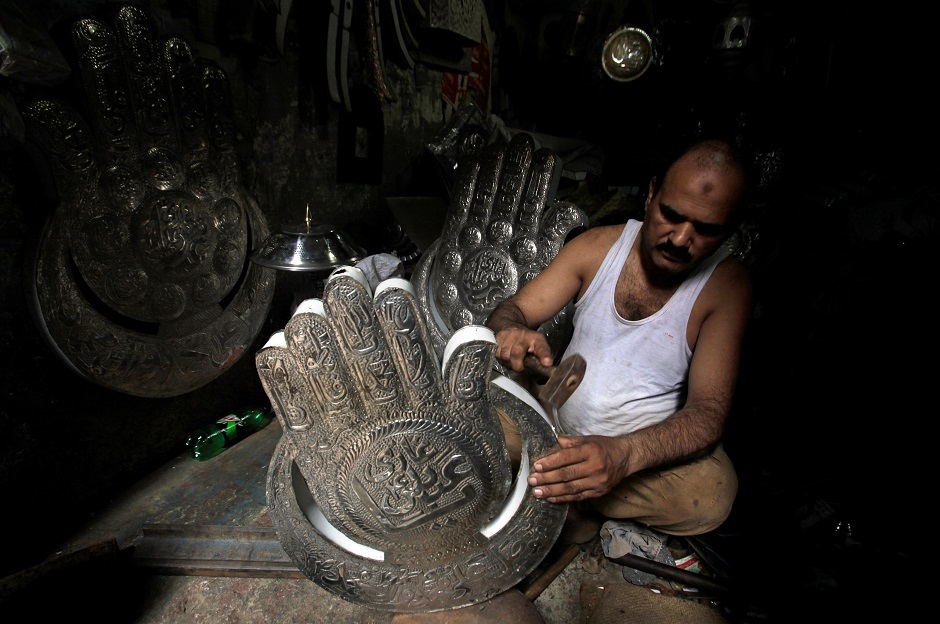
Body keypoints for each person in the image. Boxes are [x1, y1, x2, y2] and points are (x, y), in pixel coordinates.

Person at [486, 138, 752, 540]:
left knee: (713, 493)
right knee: (469, 414)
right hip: (551, 427)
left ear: (729, 229)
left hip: (636, 459)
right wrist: (511, 329)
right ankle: (576, 490)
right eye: (671, 214)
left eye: (705, 229)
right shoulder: (596, 247)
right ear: (650, 194)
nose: (680, 239)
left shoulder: (727, 287)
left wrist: (624, 457)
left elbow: (708, 413)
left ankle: (567, 488)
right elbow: (514, 309)